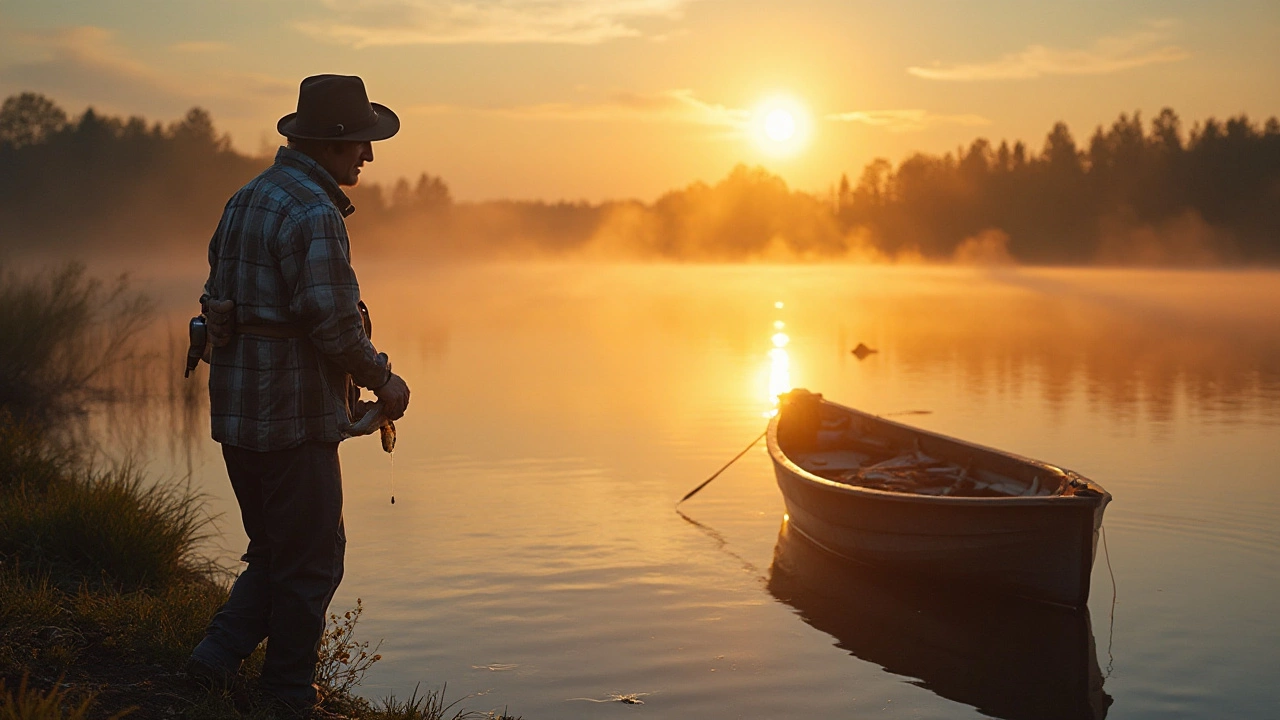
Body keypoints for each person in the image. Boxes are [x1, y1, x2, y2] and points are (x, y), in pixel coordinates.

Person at [185, 74, 411, 716]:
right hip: (293, 421)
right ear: (331, 145)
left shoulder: (246, 197)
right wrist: (382, 380)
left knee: (278, 551)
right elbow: (333, 323)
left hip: (236, 416)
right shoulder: (314, 213)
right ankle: (286, 696)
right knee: (313, 561)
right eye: (362, 143)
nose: (368, 156)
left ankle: (213, 661)